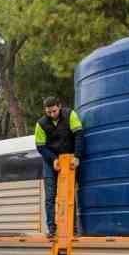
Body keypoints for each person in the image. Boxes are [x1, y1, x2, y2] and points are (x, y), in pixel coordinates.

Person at [33, 96, 84, 237]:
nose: (51, 115)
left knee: (69, 194)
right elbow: (40, 147)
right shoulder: (41, 124)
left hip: (69, 159)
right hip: (51, 161)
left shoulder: (71, 115)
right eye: (48, 112)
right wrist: (53, 159)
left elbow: (79, 135)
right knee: (50, 196)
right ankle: (52, 228)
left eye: (54, 111)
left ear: (59, 106)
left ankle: (72, 228)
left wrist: (77, 156)